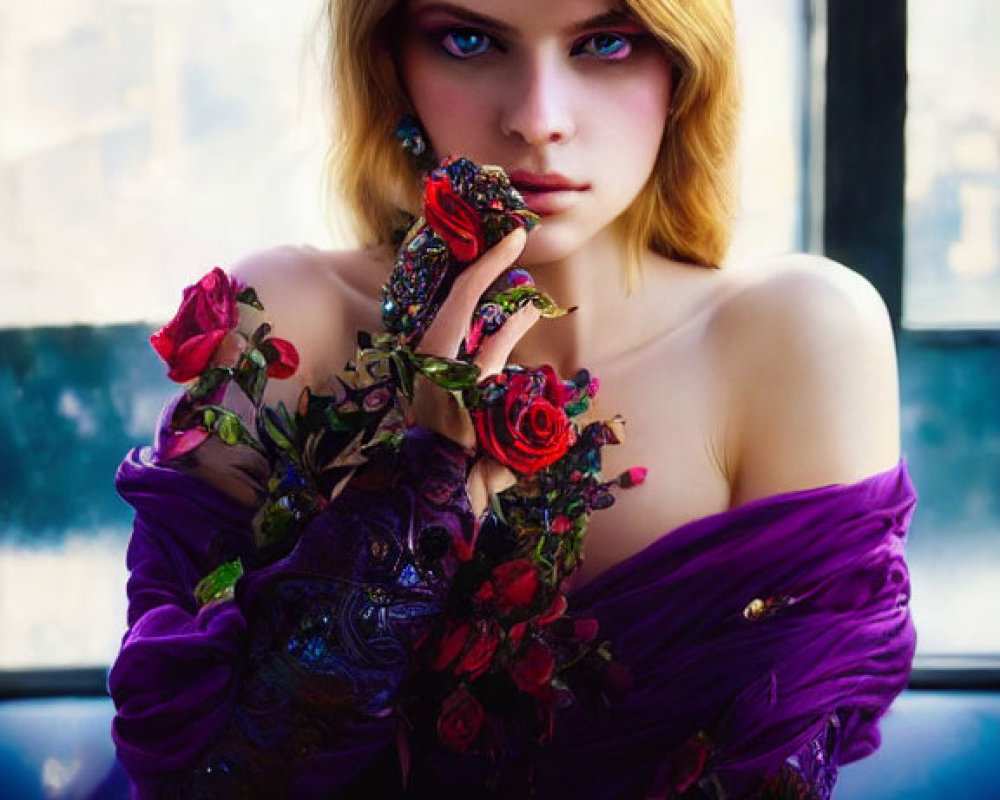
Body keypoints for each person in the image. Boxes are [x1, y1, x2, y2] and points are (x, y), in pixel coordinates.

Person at [108, 0, 917, 797]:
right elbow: (195, 777)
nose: (538, 119)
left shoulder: (800, 338)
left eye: (606, 42)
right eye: (468, 40)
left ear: (685, 64)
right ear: (392, 61)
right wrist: (422, 491)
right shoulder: (283, 323)